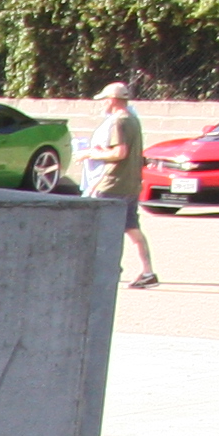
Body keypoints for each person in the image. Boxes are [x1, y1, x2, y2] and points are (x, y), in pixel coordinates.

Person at [79, 78, 158, 288]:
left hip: (112, 184)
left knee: (102, 227)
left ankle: (106, 269)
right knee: (131, 227)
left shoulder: (118, 121)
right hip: (131, 184)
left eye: (104, 99)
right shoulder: (133, 119)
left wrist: (90, 153)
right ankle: (147, 272)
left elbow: (119, 153)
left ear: (113, 100)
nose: (102, 103)